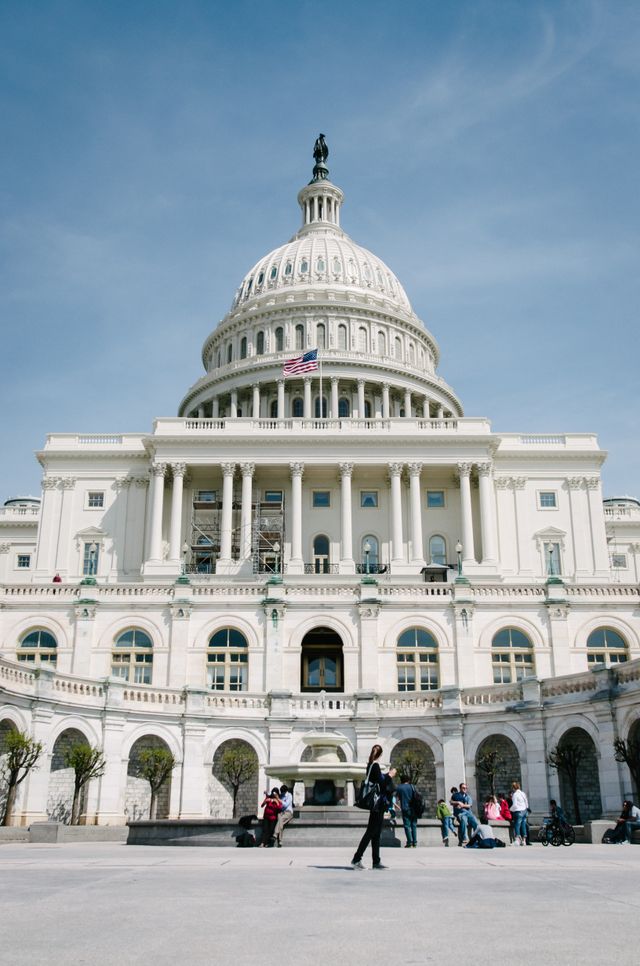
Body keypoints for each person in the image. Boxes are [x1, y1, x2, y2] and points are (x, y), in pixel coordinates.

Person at [351, 744, 396, 870]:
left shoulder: (370, 766)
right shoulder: (375, 766)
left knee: (376, 833)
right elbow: (382, 784)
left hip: (378, 805)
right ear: (380, 754)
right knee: (371, 832)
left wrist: (385, 776)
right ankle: (356, 858)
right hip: (378, 803)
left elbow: (377, 780)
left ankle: (376, 861)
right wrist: (390, 775)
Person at [450, 782, 479, 846]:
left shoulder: (468, 797)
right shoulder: (456, 795)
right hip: (461, 814)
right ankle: (464, 839)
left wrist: (462, 805)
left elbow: (469, 805)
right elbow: (451, 802)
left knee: (475, 822)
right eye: (463, 788)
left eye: (466, 788)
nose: (465, 789)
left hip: (468, 813)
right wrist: (458, 802)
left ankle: (477, 838)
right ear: (460, 788)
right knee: (464, 821)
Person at [395, 775, 418, 848]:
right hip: (414, 808)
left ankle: (409, 842)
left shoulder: (399, 787)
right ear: (408, 780)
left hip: (405, 808)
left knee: (407, 825)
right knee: (413, 825)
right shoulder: (413, 786)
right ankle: (415, 843)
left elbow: (397, 798)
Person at [510, 781, 529, 846]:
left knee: (517, 825)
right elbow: (526, 803)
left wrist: (510, 809)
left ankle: (517, 840)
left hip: (518, 811)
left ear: (513, 788)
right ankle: (524, 840)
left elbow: (515, 805)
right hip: (524, 811)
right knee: (523, 825)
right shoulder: (523, 793)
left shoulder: (515, 794)